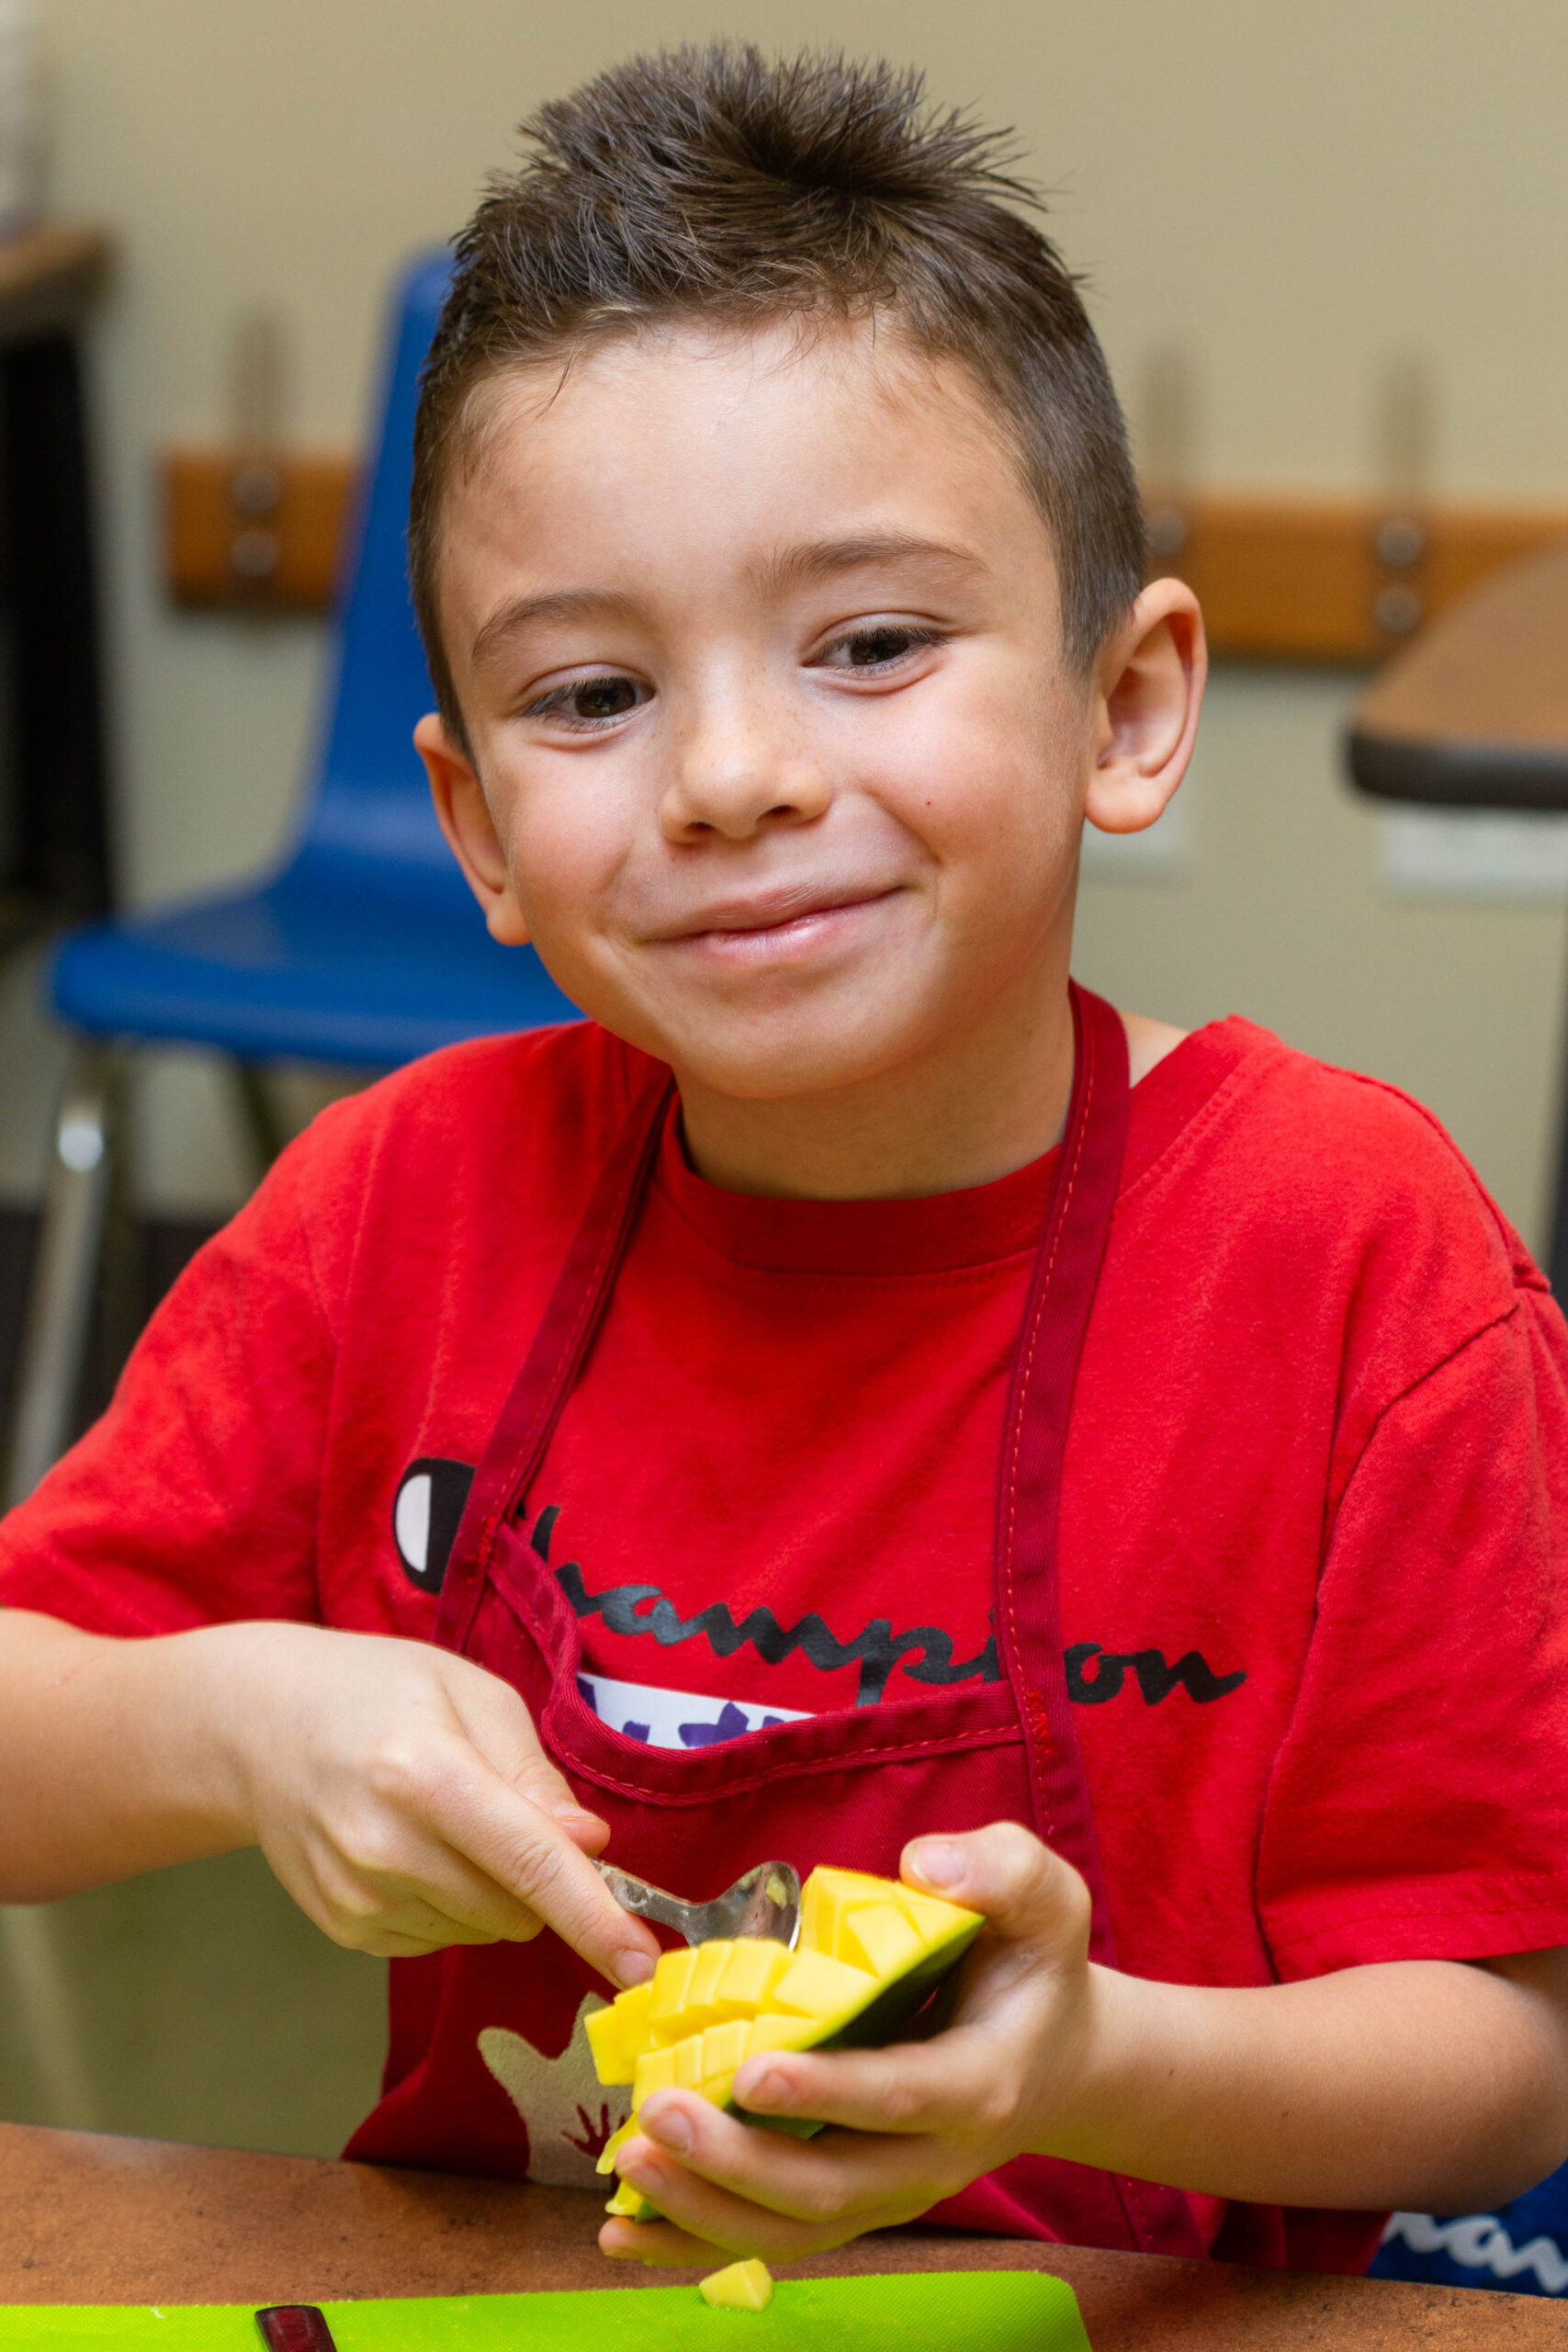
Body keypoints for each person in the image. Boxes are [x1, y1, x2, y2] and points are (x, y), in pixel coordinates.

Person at [2, 41, 1567, 2285]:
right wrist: (228, 1722)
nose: (730, 774)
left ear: (1123, 707)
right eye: (589, 695)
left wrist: (1080, 2056)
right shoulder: (397, 1210)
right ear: (474, 828)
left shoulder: (1346, 1259)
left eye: (870, 644)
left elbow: (1503, 2052)